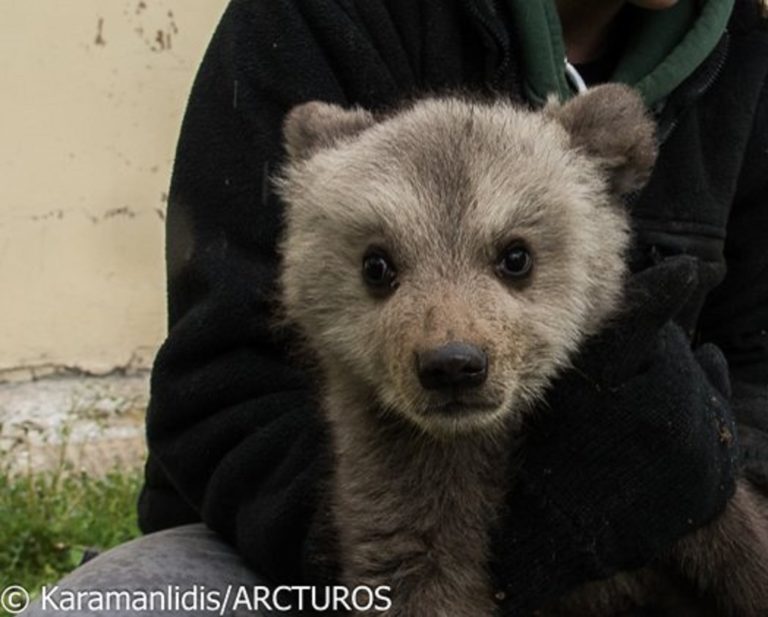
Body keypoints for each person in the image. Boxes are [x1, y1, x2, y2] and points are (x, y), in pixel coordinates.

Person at [23, 0, 768, 615]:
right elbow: (217, 393)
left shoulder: (750, 55)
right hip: (291, 550)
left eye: (513, 263)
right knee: (117, 603)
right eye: (382, 270)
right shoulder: (314, 17)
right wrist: (415, 534)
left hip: (643, 546)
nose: (447, 341)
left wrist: (709, 452)